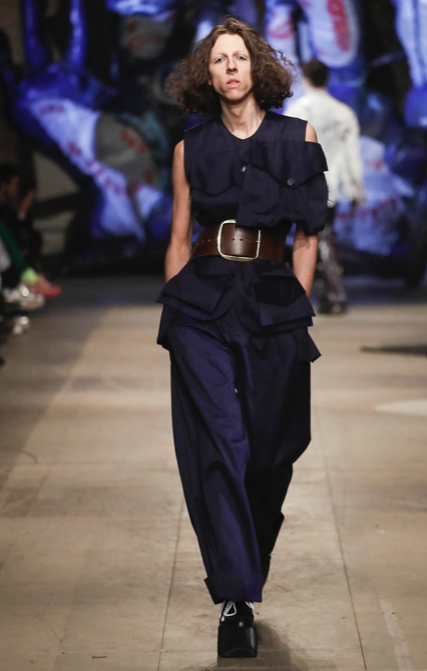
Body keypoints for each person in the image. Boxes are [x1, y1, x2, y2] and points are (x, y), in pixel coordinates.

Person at [156, 18, 329, 658]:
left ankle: (246, 564)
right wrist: (174, 314)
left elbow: (307, 237)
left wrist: (297, 309)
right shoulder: (190, 149)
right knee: (221, 445)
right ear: (206, 75)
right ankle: (235, 598)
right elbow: (178, 237)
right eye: (219, 59)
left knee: (272, 452)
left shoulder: (297, 137)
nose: (231, 67)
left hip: (273, 303)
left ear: (258, 67)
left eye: (240, 57)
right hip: (201, 305)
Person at [286, 59, 364, 314]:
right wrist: (357, 187)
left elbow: (287, 152)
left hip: (303, 183)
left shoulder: (297, 109)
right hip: (333, 184)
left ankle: (333, 293)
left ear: (306, 78)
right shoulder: (343, 112)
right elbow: (352, 153)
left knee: (316, 236)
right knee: (322, 235)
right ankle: (329, 294)